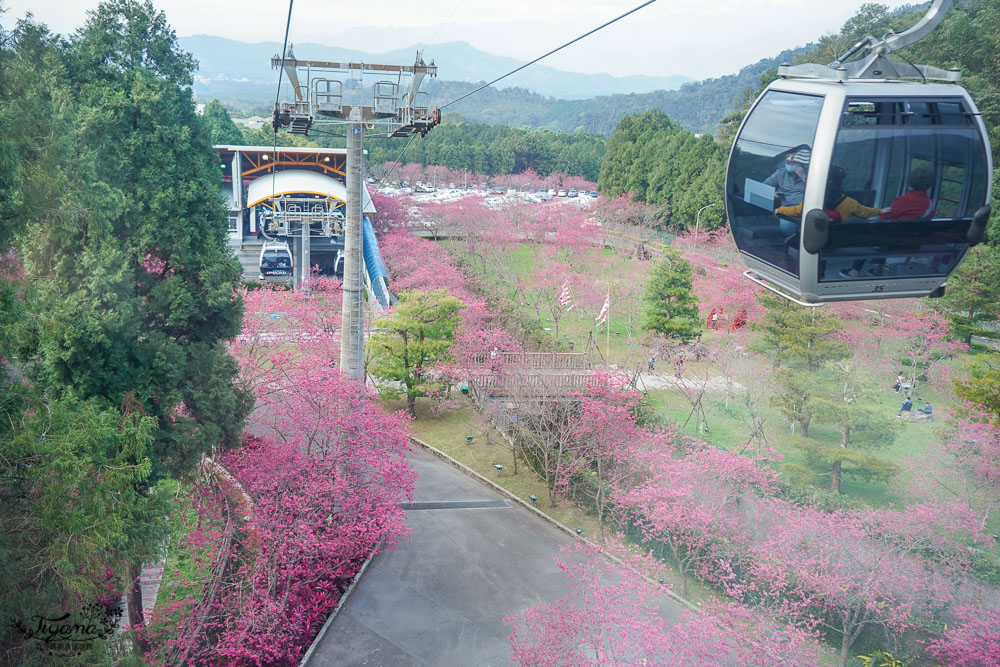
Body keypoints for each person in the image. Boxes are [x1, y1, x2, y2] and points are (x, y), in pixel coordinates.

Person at [776, 166, 883, 222]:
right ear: (841, 182)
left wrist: (779, 210)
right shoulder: (850, 203)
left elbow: (797, 211)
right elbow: (865, 212)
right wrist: (880, 211)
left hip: (810, 243)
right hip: (834, 241)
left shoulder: (815, 200)